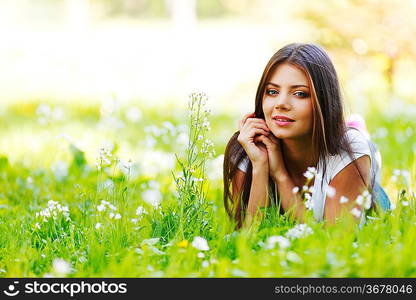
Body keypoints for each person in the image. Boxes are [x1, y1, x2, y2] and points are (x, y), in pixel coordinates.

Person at [223, 43, 390, 229]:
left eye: (300, 94)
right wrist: (260, 165)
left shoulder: (348, 152)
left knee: (375, 195)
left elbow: (332, 242)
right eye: (272, 91)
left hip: (356, 173)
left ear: (323, 102)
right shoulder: (248, 148)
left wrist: (280, 175)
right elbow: (248, 236)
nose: (281, 104)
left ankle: (357, 131)